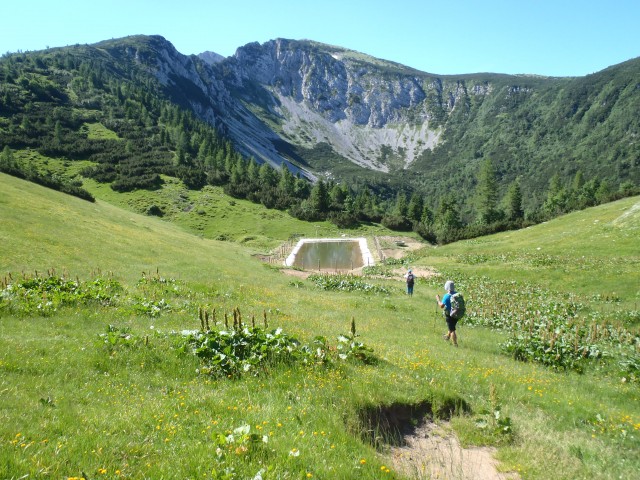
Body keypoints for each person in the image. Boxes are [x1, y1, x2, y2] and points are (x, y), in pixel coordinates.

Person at [436, 280, 458, 346]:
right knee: (452, 326)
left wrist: (438, 299)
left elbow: (441, 306)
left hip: (449, 315)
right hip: (457, 314)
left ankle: (455, 344)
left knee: (452, 329)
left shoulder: (447, 296)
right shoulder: (457, 294)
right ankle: (447, 337)